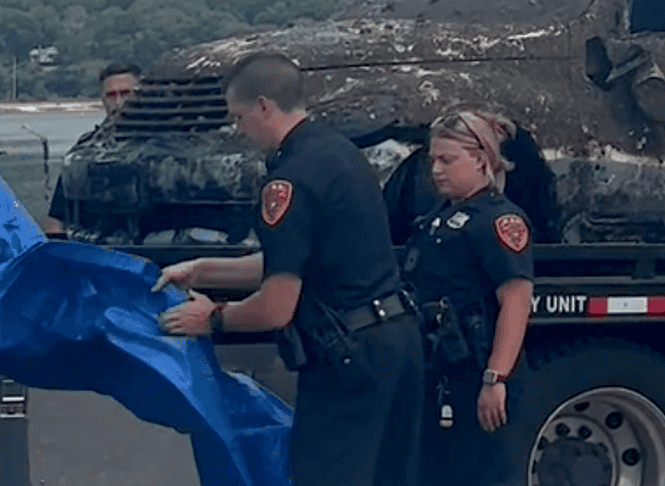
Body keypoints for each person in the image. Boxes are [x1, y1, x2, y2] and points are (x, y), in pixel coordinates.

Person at [154, 52, 423, 486]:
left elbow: (277, 307)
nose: (239, 130)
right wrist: (204, 270)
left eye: (239, 117)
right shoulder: (339, 153)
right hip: (396, 341)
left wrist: (213, 318)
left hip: (348, 356)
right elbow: (299, 261)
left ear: (263, 107)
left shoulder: (289, 179)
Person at [404, 107, 535, 486]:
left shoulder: (497, 220)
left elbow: (516, 300)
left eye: (448, 160)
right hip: (440, 371)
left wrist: (495, 378)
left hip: (478, 369)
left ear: (481, 160)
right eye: (433, 160)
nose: (436, 170)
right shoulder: (436, 220)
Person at [45, 62, 141, 235]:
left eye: (126, 93)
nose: (119, 102)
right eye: (111, 95)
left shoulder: (168, 147)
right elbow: (56, 222)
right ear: (103, 100)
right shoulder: (85, 153)